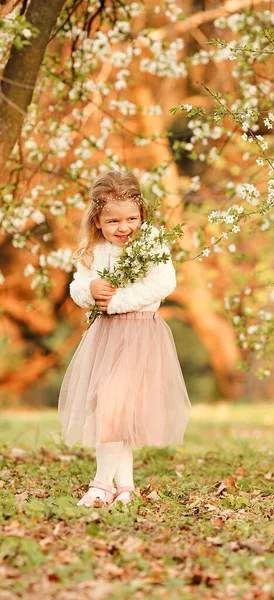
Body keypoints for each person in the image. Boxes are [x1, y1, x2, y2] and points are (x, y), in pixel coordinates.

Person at [58, 170, 192, 507]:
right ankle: (126, 487)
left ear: (142, 215)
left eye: (132, 218)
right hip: (105, 337)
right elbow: (78, 285)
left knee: (115, 407)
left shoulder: (151, 243)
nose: (124, 227)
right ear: (98, 220)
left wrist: (117, 301)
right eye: (114, 220)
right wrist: (89, 289)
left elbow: (163, 284)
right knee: (113, 409)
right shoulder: (95, 249)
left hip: (140, 333)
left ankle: (102, 483)